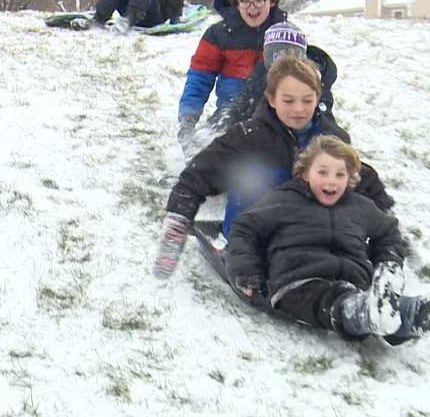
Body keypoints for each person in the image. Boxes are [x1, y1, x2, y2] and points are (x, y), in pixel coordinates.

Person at [153, 55, 393, 278]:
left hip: (314, 237)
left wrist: (385, 237)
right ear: (271, 99)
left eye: (307, 100)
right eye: (288, 100)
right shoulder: (248, 137)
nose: (298, 109)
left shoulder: (331, 139)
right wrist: (179, 218)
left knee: (332, 179)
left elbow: (362, 180)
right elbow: (198, 175)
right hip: (253, 237)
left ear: (318, 98)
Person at [225, 136, 430, 344]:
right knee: (334, 300)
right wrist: (246, 271)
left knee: (363, 297)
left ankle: (416, 314)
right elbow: (245, 228)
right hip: (298, 282)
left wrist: (388, 261)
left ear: (350, 178)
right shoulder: (284, 200)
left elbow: (388, 232)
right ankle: (366, 313)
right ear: (305, 173)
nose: (331, 181)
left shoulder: (360, 207)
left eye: (340, 175)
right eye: (323, 172)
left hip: (355, 282)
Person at [186, 20, 339, 155]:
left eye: (290, 55)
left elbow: (326, 123)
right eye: (276, 56)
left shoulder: (313, 81)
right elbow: (241, 105)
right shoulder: (261, 74)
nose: (283, 64)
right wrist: (214, 129)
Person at [176, 0, 287, 147]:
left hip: (274, 114)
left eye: (259, 1)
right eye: (245, 1)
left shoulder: (284, 35)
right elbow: (199, 79)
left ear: (272, 1)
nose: (252, 7)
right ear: (236, 2)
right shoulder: (219, 34)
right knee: (207, 149)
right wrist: (188, 118)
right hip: (229, 113)